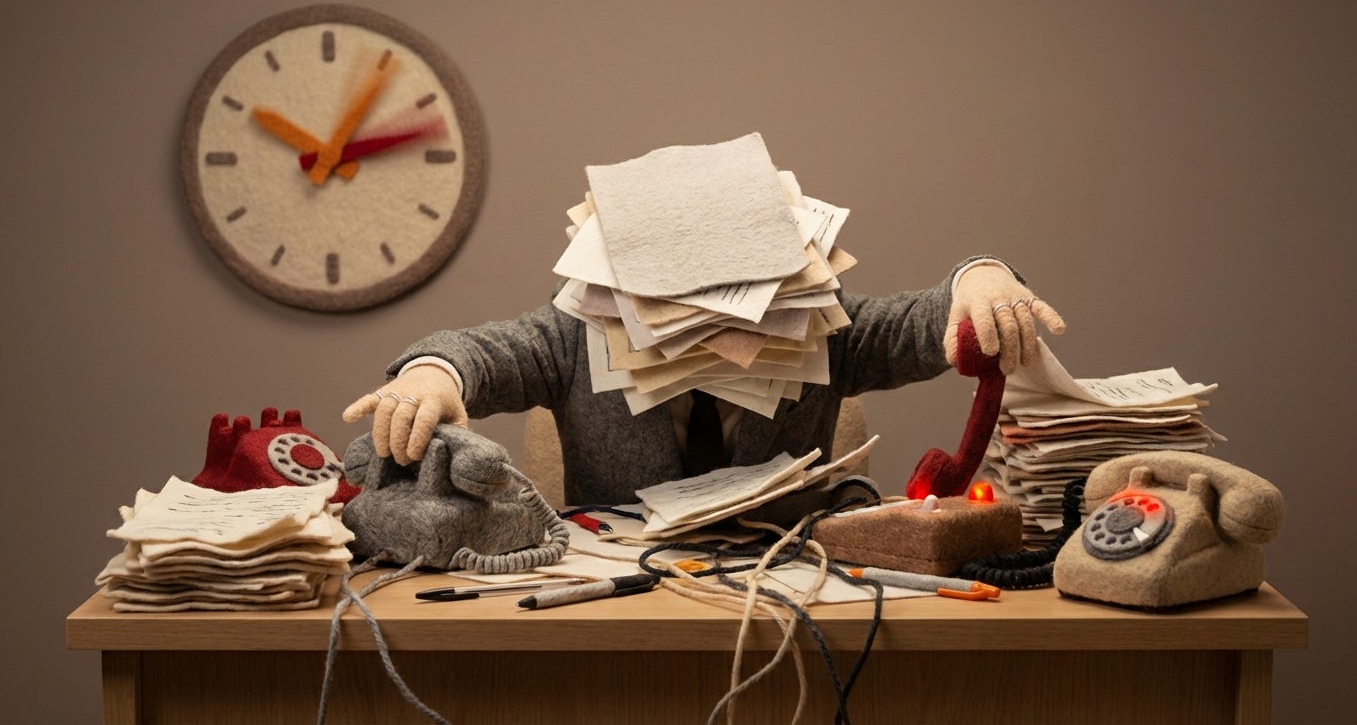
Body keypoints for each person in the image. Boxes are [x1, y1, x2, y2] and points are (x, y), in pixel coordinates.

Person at [343, 255, 1064, 505]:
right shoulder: (577, 331)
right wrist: (431, 375)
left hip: (792, 600)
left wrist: (983, 277)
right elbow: (481, 351)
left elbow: (925, 318)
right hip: (626, 614)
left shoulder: (826, 322)